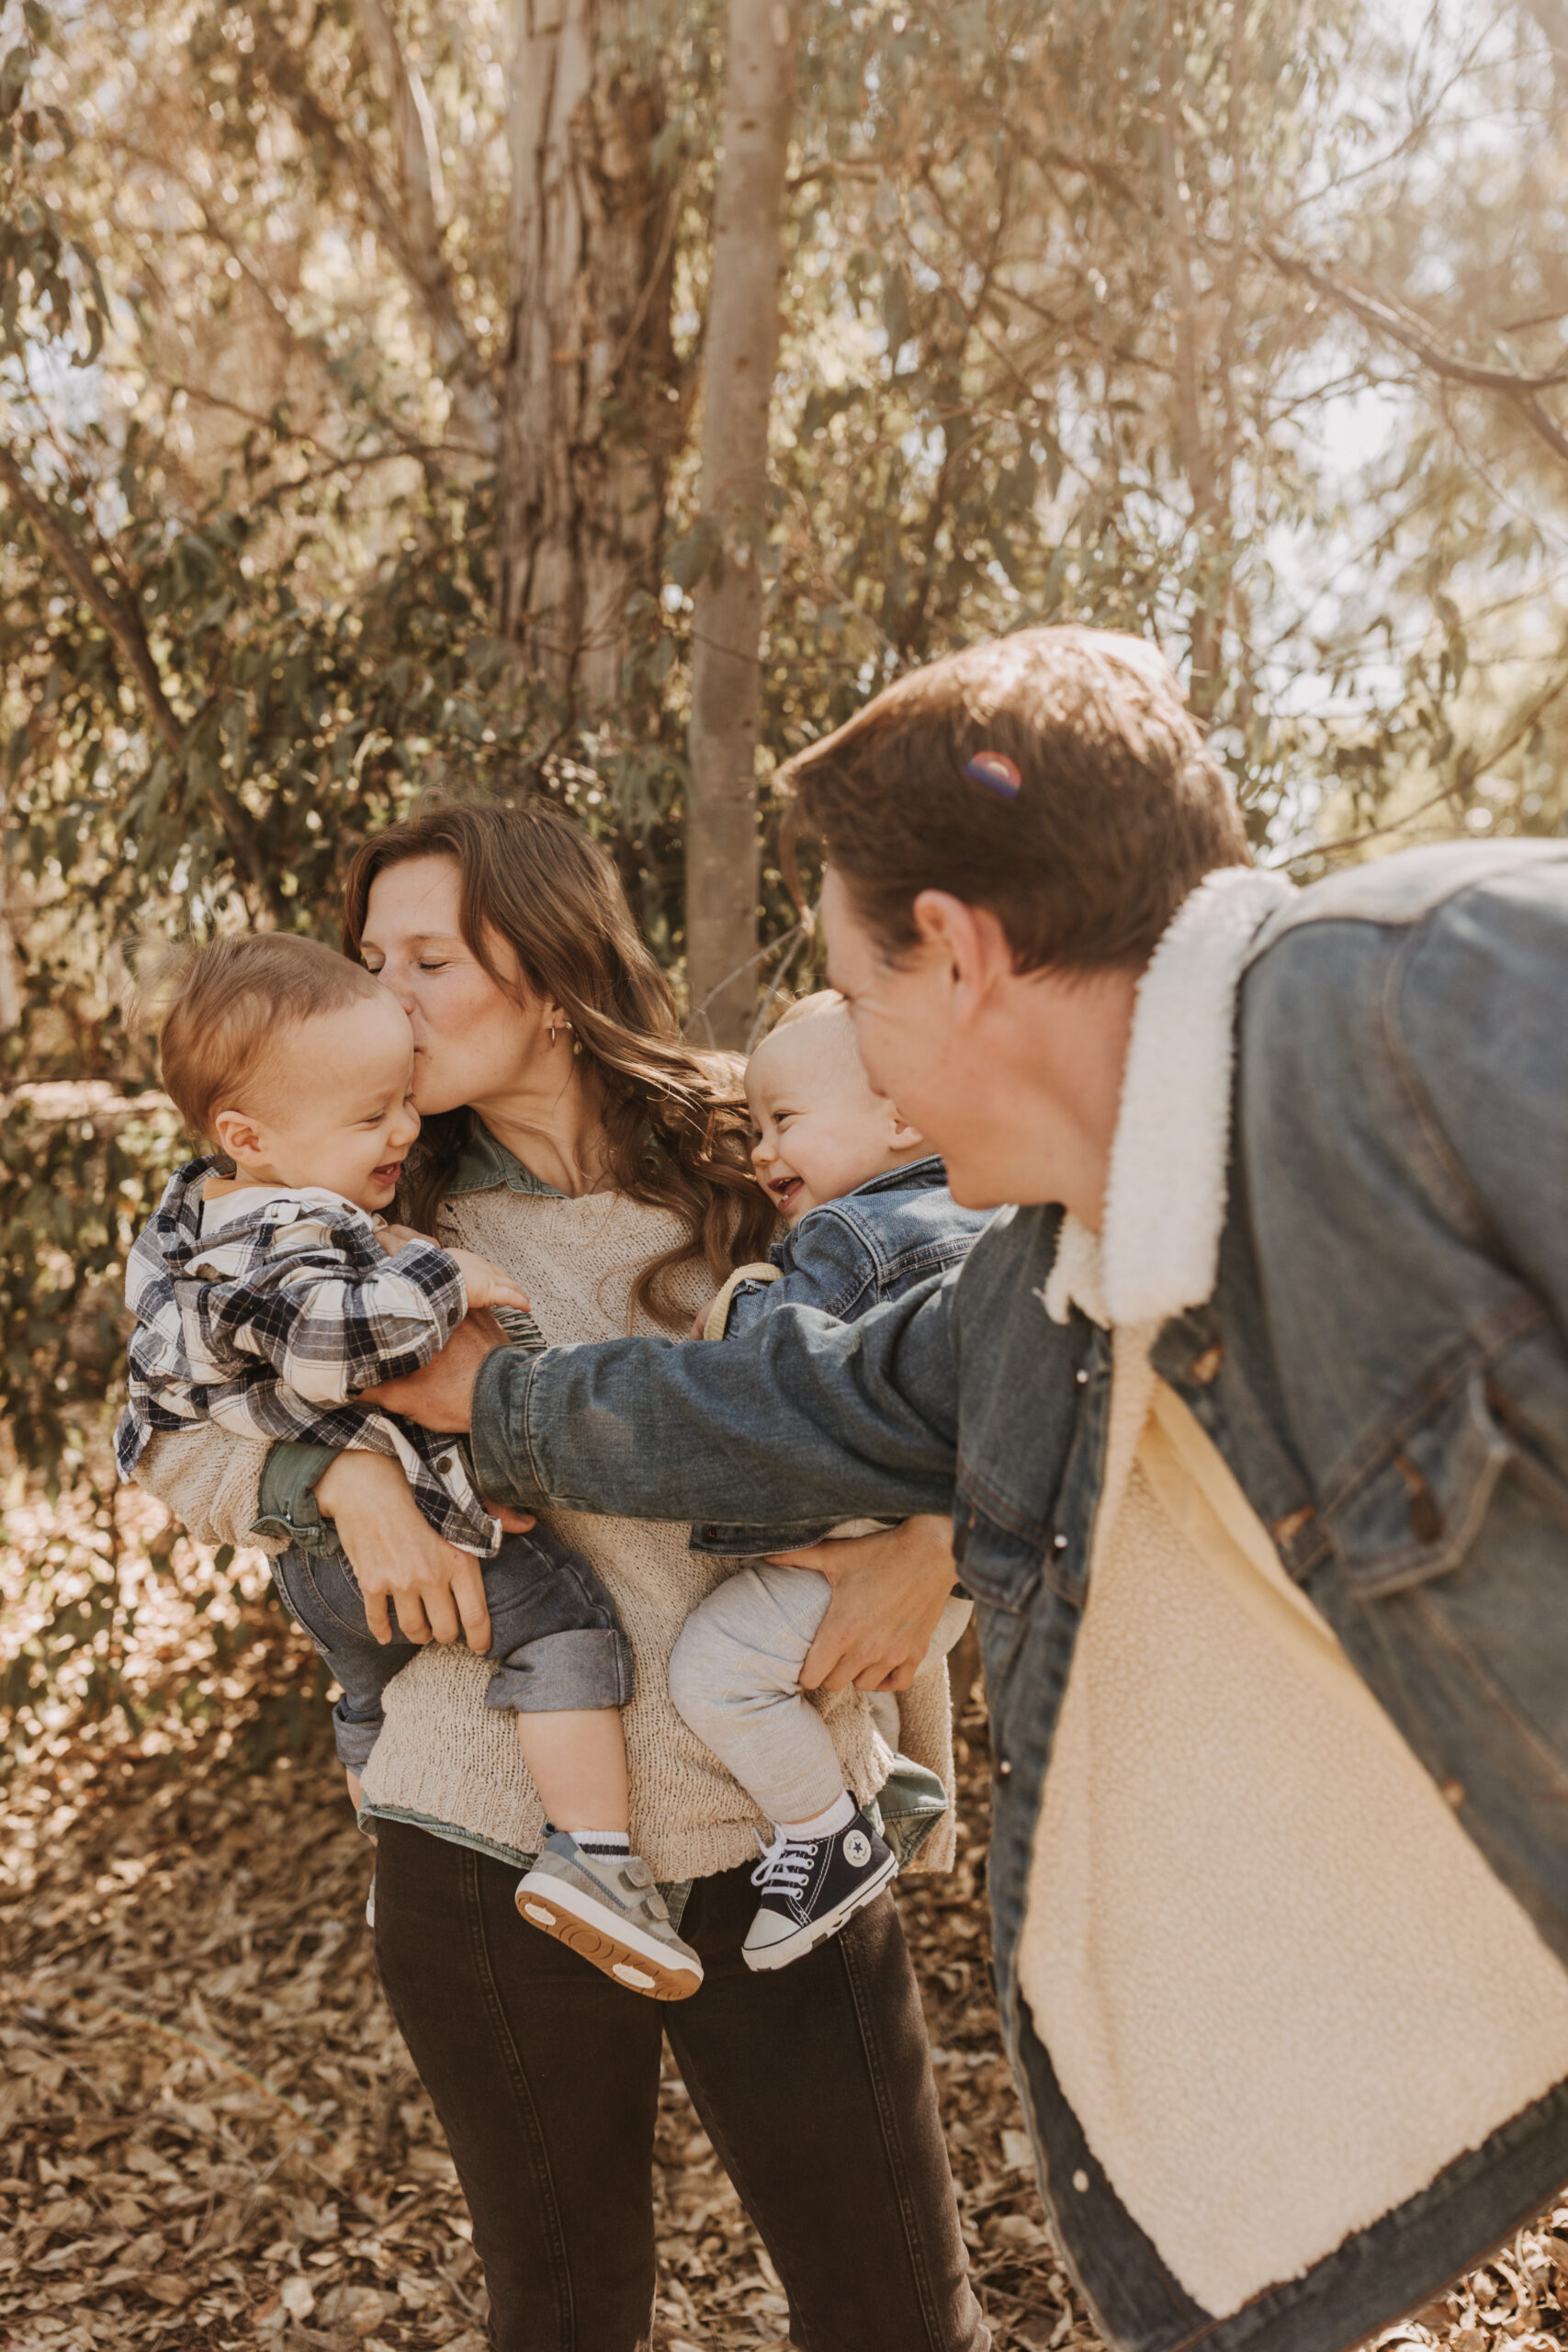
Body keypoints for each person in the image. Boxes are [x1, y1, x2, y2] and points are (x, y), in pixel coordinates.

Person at [378, 630, 1568, 2352]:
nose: (868, 1093)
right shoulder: (1041, 1305)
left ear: (955, 955)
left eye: (855, 1010)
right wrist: (488, 1396)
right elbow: (779, 1402)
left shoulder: (1419, 1004)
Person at [130, 797, 989, 2352]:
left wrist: (938, 1558)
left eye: (428, 958)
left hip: (778, 1832)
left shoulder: (771, 1157)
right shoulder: (344, 1217)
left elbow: (980, 1378)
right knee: (571, 2316)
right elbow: (167, 1434)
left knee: (896, 2316)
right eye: (366, 958)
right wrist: (326, 1481)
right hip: (493, 1842)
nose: (379, 998)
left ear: (546, 965)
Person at [117, 932, 704, 1998]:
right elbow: (244, 1393)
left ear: (554, 986)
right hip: (385, 1594)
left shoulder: (207, 1215)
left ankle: (383, 1834)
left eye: (433, 959)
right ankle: (597, 1861)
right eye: (377, 955)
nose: (402, 1126)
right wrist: (440, 1288)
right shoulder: (313, 1223)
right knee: (565, 1626)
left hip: (343, 1589)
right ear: (247, 1133)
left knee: (365, 1696)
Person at [668, 989, 987, 1969]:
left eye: (786, 1122)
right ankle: (880, 1785)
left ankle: (826, 1834)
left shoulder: (853, 1236)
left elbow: (773, 1378)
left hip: (865, 1545)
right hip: (952, 1560)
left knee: (717, 1671)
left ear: (900, 1115)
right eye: (755, 1127)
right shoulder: (999, 1212)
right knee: (824, 1677)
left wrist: (734, 1316)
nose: (763, 1152)